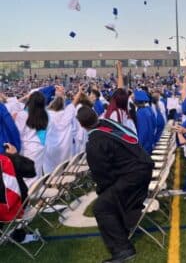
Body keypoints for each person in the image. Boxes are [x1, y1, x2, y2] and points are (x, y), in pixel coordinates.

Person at [76, 106, 153, 262]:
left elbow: (103, 176)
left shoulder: (95, 143)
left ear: (81, 125)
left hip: (134, 176)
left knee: (101, 206)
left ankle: (123, 249)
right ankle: (124, 226)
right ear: (96, 116)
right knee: (111, 198)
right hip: (143, 164)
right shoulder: (108, 123)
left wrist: (104, 192)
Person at [0, 143, 38, 244]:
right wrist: (15, 155)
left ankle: (17, 235)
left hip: (11, 209)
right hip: (19, 206)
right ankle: (18, 235)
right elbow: (31, 171)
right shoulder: (7, 159)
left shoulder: (6, 160)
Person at [43, 86, 83, 174]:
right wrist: (79, 91)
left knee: (50, 174)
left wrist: (53, 89)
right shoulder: (67, 112)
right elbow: (75, 101)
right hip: (65, 148)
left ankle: (52, 185)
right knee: (65, 172)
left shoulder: (46, 114)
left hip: (50, 147)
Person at [14, 91, 49, 186]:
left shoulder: (23, 115)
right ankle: (38, 196)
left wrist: (13, 121)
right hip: (39, 146)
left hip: (27, 148)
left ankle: (31, 198)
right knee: (37, 174)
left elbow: (18, 132)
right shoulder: (45, 114)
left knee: (28, 177)